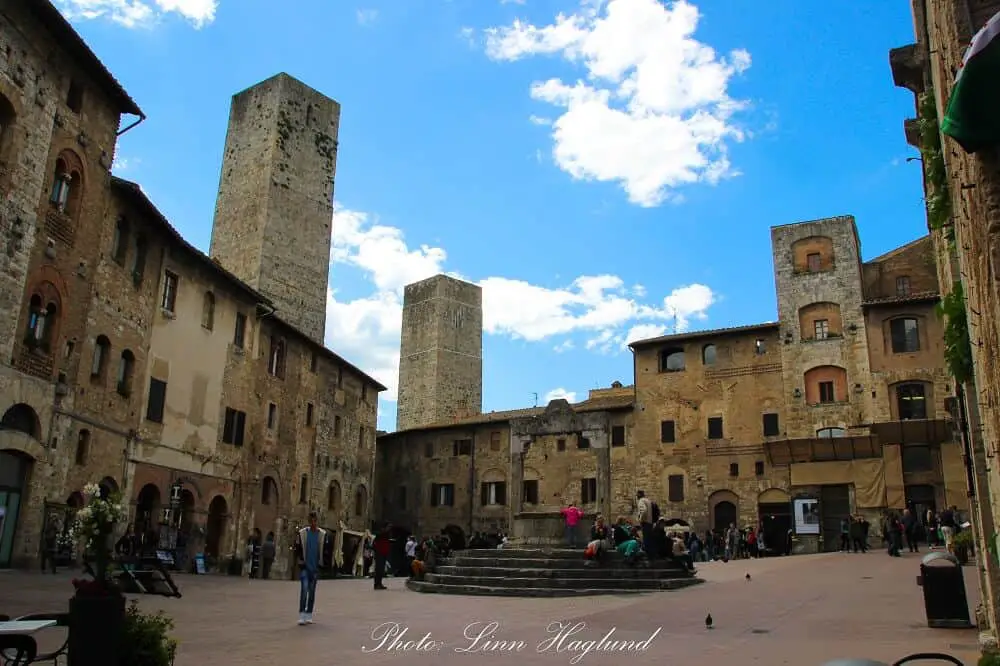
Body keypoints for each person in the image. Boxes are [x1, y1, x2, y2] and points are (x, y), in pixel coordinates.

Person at [293, 512, 327, 625]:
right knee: (304, 590)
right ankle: (302, 614)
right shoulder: (303, 533)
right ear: (309, 521)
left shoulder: (321, 534)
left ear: (317, 521)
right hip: (305, 567)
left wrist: (321, 563)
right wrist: (299, 560)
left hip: (315, 568)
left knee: (311, 592)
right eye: (311, 520)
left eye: (315, 521)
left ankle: (309, 614)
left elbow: (324, 550)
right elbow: (297, 548)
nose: (313, 523)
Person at [373, 522, 390, 590]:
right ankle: (377, 584)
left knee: (381, 569)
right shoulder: (380, 534)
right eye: (388, 527)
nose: (389, 528)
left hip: (383, 553)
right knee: (379, 569)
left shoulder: (386, 534)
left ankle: (379, 583)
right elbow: (375, 543)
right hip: (380, 553)